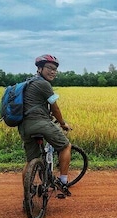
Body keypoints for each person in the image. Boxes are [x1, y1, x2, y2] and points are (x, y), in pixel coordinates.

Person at [18, 54, 72, 196]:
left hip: (24, 126)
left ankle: (27, 195)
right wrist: (62, 123)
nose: (53, 71)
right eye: (49, 68)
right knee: (65, 146)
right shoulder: (44, 84)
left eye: (55, 69)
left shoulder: (29, 82)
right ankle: (63, 181)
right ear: (40, 68)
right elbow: (55, 108)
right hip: (40, 123)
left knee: (31, 161)